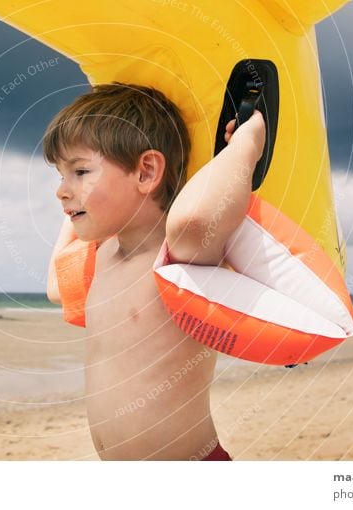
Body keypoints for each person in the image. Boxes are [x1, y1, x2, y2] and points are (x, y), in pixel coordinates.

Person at [43, 83, 265, 461]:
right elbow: (56, 288)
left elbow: (196, 216)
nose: (61, 191)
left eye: (80, 171)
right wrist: (76, 209)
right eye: (60, 176)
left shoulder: (180, 252)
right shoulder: (104, 254)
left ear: (146, 171)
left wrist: (247, 140)